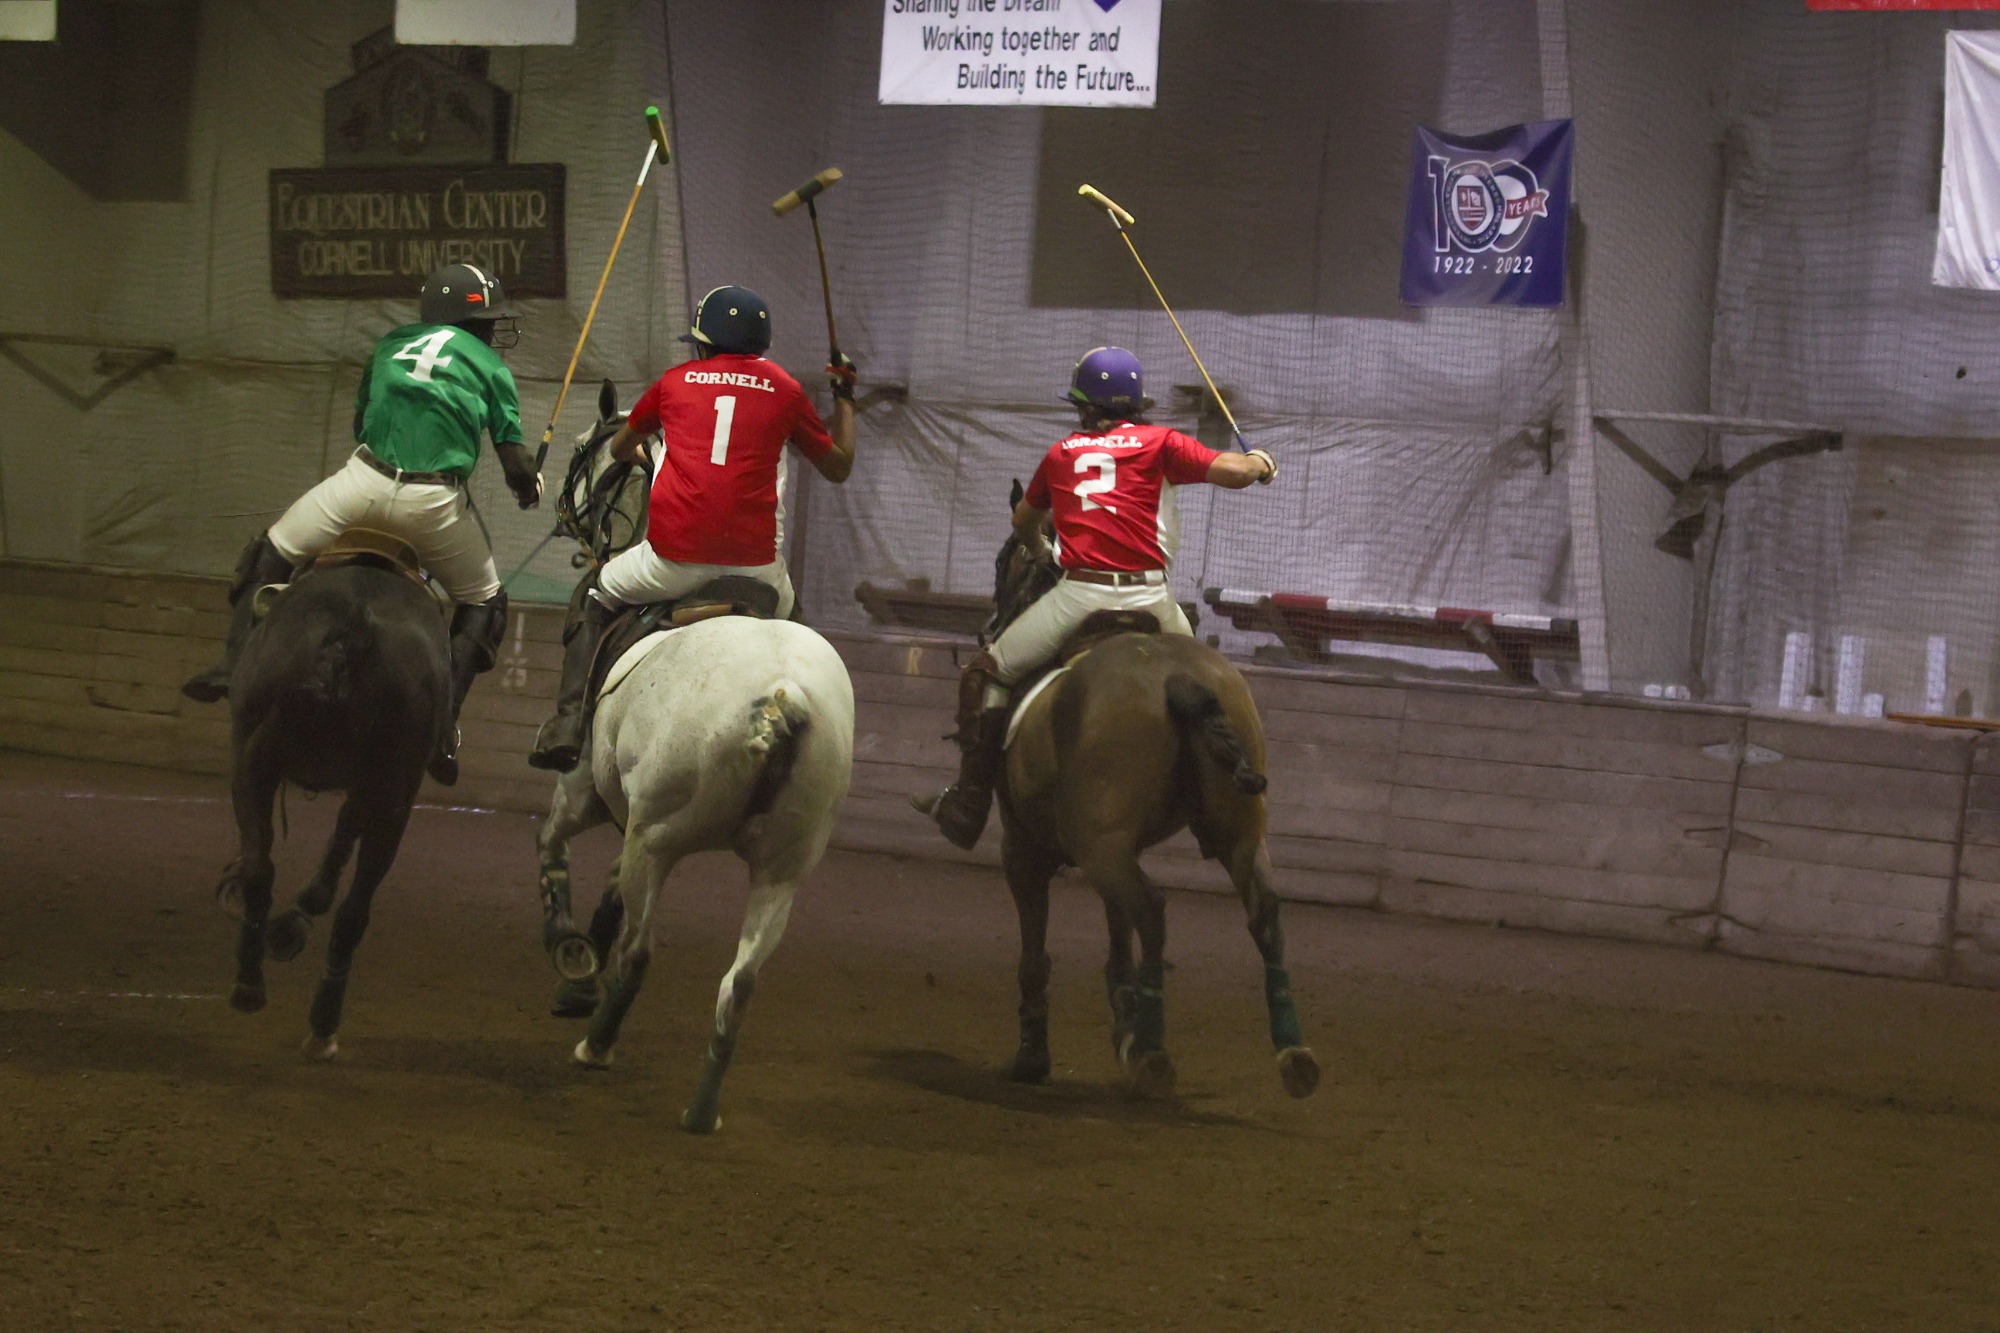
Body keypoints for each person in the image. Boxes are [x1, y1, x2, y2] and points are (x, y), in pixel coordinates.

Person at [181, 262, 542, 785]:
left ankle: (231, 665)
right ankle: (442, 726)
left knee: (272, 550)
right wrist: (529, 486)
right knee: (485, 601)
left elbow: (361, 422)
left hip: (361, 486)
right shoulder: (490, 365)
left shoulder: (390, 343)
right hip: (432, 505)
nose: (491, 329)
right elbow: (514, 463)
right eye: (488, 319)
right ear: (476, 324)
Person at [917, 346, 1277, 849]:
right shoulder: (1162, 443)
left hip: (1080, 596)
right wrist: (1260, 462)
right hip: (1154, 599)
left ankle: (970, 800)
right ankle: (1226, 791)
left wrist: (1041, 547)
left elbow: (1023, 520)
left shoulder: (1061, 453)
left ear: (1084, 407)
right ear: (1136, 403)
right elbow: (1236, 472)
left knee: (987, 670)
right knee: (1209, 687)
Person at [526, 284, 857, 772]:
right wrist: (845, 398)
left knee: (595, 594)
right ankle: (814, 748)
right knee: (800, 642)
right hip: (757, 572)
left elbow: (619, 449)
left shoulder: (674, 382)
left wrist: (655, 456)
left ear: (704, 343)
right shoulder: (786, 391)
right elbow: (839, 466)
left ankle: (568, 723)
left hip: (671, 563)